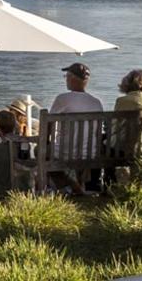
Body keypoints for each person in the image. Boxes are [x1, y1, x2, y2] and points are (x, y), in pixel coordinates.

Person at [48, 62, 103, 195]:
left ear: (72, 78)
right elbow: (98, 132)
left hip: (65, 153)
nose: (65, 79)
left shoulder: (62, 99)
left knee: (41, 151)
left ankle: (72, 186)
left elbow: (48, 126)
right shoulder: (97, 102)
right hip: (90, 154)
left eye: (66, 76)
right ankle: (77, 185)